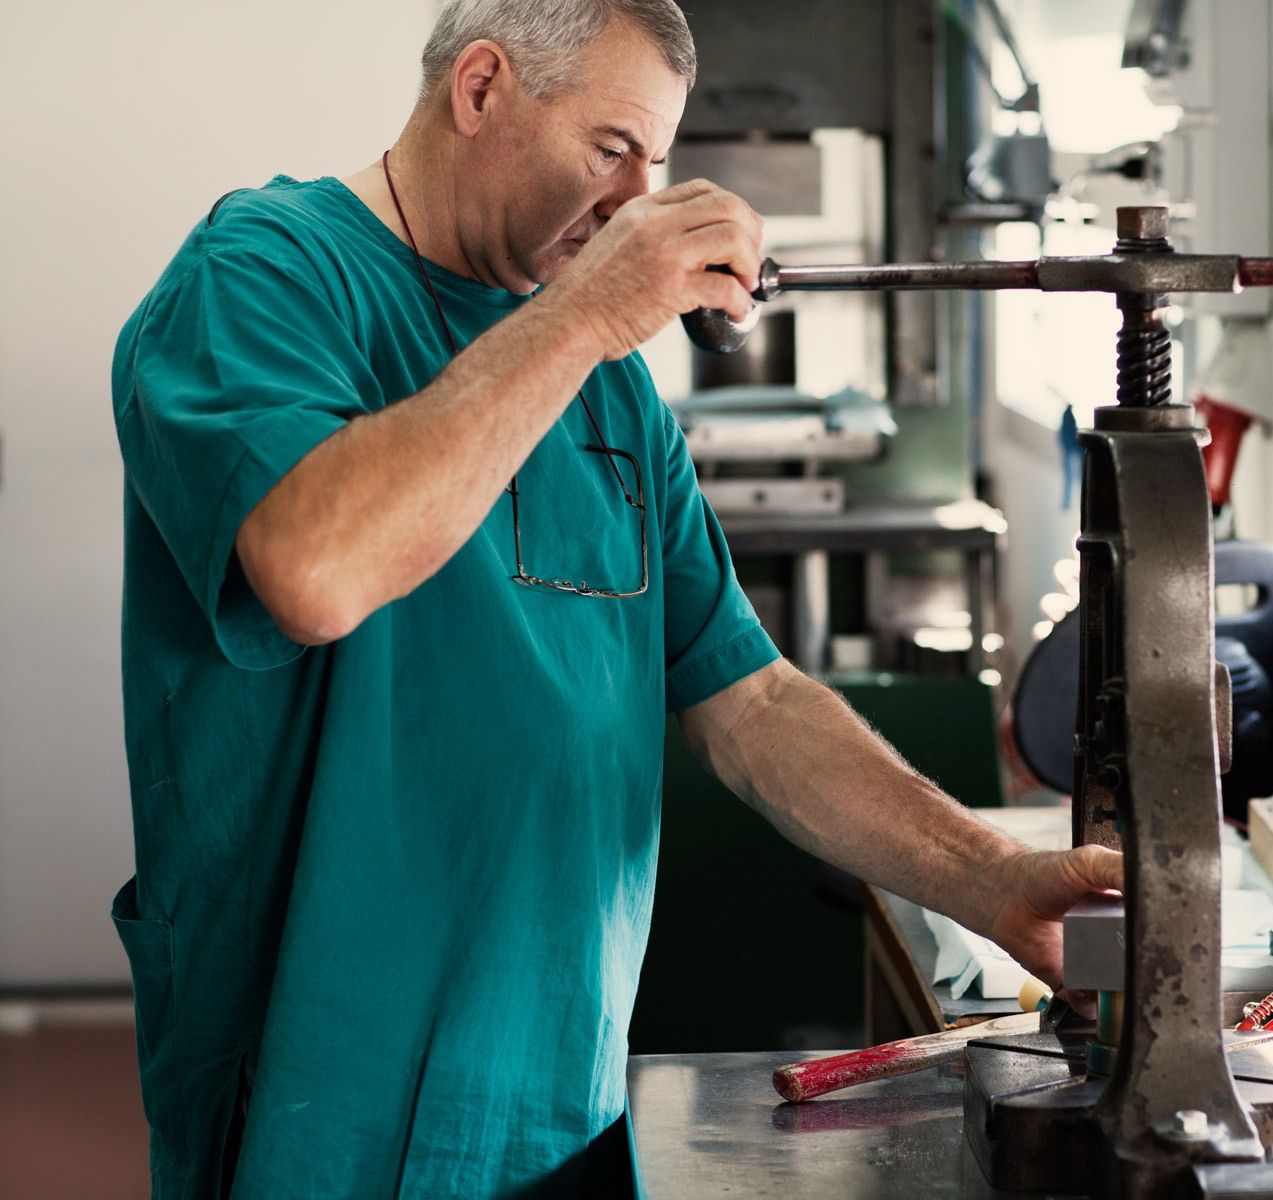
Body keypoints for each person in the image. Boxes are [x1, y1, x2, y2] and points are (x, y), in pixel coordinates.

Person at [110, 1, 1123, 1195]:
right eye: (611, 150)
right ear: (481, 90)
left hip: (557, 1094)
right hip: (315, 1097)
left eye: (658, 161)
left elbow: (750, 704)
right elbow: (313, 570)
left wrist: (992, 879)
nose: (640, 198)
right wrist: (589, 310)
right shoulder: (261, 274)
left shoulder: (609, 388)